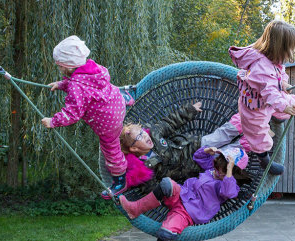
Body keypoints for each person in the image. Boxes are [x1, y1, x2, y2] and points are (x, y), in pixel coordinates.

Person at [41, 35, 127, 197]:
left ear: (67, 66)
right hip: (117, 101)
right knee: (110, 91)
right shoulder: (94, 68)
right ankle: (127, 97)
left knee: (111, 150)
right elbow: (85, 85)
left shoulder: (76, 85)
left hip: (108, 123)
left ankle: (120, 181)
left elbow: (72, 113)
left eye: (59, 67)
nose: (59, 70)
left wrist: (53, 121)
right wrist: (61, 84)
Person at [118, 102, 250, 195]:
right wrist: (170, 194)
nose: (145, 135)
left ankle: (246, 118)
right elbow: (152, 190)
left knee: (221, 135)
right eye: (139, 137)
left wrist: (189, 110)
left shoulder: (154, 133)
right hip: (197, 166)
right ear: (134, 149)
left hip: (195, 145)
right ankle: (250, 141)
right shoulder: (144, 169)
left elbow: (169, 123)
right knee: (227, 154)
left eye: (142, 132)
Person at [120, 146, 242, 240]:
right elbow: (198, 157)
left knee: (166, 232)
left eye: (220, 172)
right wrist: (206, 150)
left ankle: (169, 229)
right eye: (215, 168)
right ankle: (135, 209)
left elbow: (228, 192)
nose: (215, 172)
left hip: (189, 213)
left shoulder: (228, 185)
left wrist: (229, 170)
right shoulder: (212, 170)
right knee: (167, 184)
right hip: (181, 194)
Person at [228, 20, 295, 175]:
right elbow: (270, 93)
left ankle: (278, 115)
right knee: (259, 134)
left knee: (291, 101)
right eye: (290, 48)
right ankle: (264, 159)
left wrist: (283, 83)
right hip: (254, 107)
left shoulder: (273, 59)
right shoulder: (261, 67)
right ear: (280, 48)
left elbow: (280, 71)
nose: (292, 52)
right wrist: (283, 106)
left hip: (266, 100)